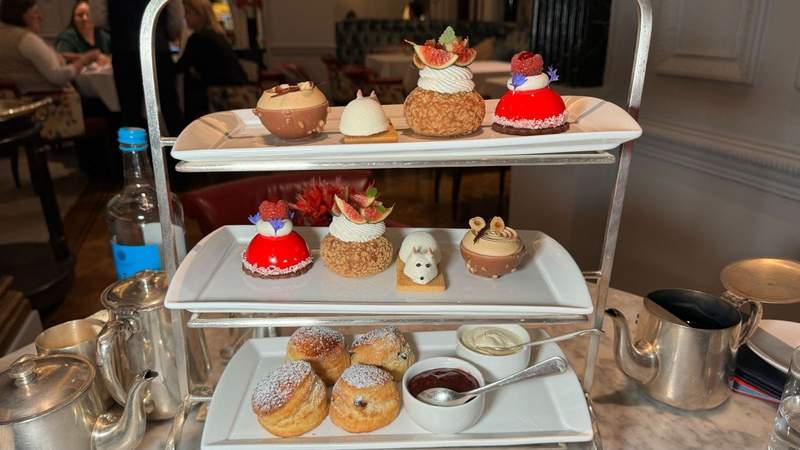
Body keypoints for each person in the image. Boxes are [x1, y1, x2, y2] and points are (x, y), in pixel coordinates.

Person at [91, 0, 185, 136]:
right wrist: (164, 31)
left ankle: (135, 155)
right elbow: (175, 17)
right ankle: (179, 153)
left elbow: (99, 17)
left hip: (124, 48)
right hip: (156, 46)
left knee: (130, 113)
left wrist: (120, 26)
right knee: (170, 109)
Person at [0, 0, 102, 93]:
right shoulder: (26, 39)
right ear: (24, 14)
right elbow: (58, 76)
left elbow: (35, 59)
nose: (40, 17)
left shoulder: (5, 35)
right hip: (48, 102)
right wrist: (86, 59)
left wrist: (75, 57)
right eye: (35, 12)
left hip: (19, 102)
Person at [178, 0, 247, 120]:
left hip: (220, 93)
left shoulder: (198, 38)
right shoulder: (218, 34)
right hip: (238, 91)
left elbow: (180, 66)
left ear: (199, 14)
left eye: (188, 12)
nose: (185, 17)